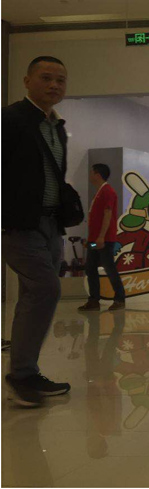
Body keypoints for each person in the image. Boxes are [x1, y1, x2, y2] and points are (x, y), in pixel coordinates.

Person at [2, 56, 73, 407]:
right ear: (27, 80)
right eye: (46, 78)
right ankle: (21, 376)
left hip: (50, 223)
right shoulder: (10, 119)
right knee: (46, 288)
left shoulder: (56, 126)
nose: (54, 85)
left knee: (35, 293)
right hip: (19, 222)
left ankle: (25, 372)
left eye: (60, 80)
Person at [78, 163, 126, 311]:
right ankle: (94, 300)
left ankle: (119, 298)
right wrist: (91, 240)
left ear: (97, 174)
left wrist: (101, 237)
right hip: (94, 241)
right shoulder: (99, 192)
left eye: (91, 172)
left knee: (109, 267)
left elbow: (108, 213)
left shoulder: (107, 192)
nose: (90, 175)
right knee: (90, 267)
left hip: (104, 241)